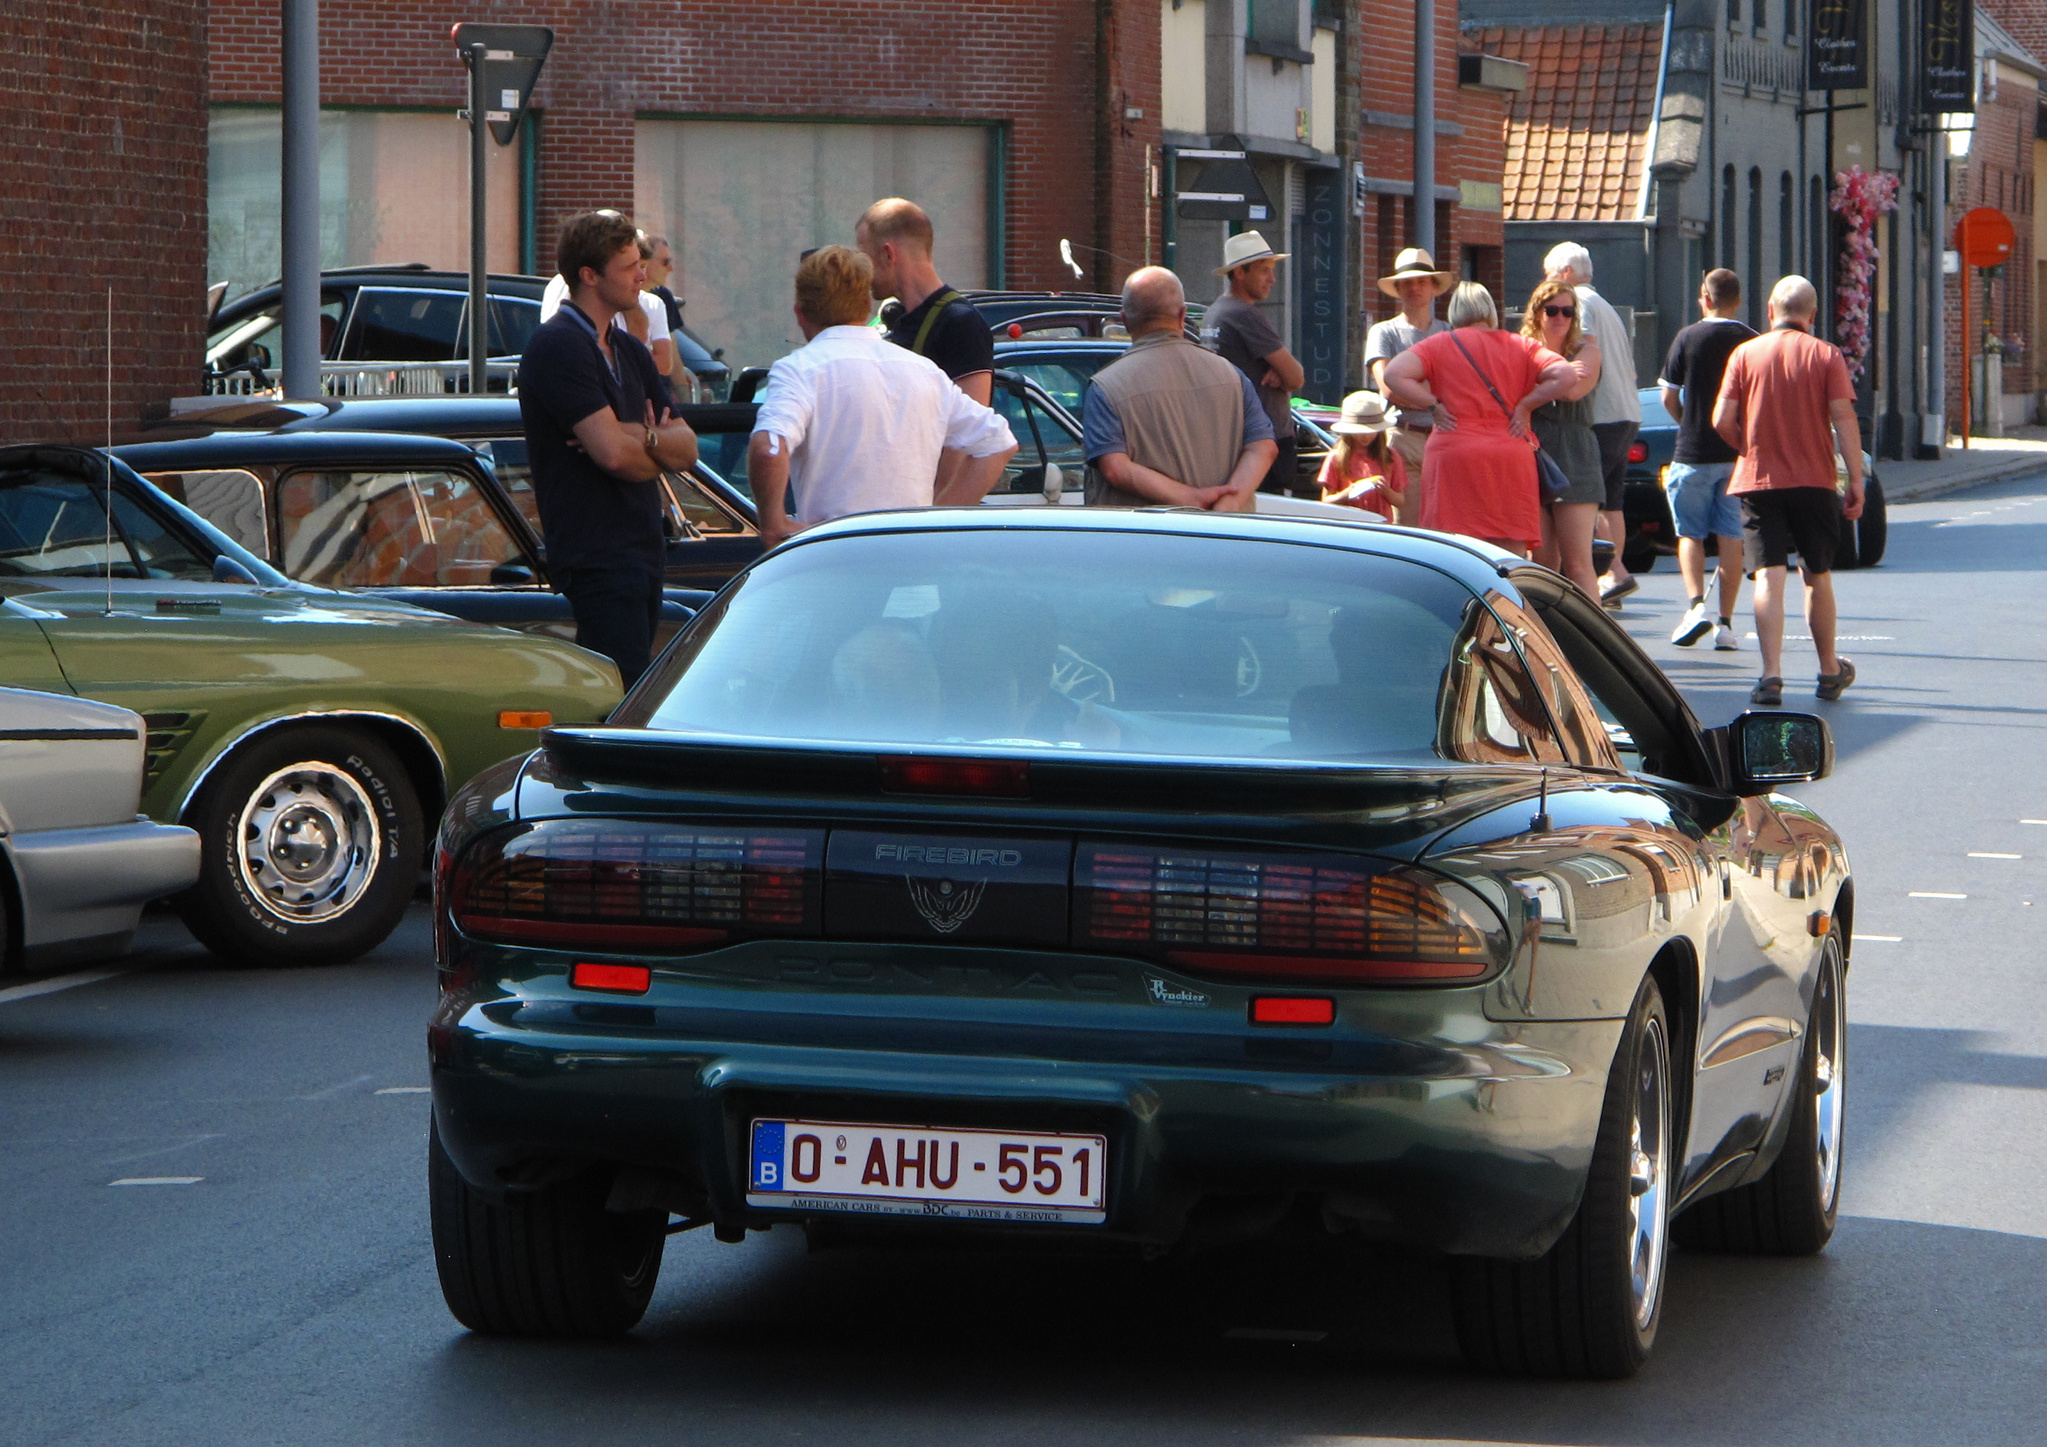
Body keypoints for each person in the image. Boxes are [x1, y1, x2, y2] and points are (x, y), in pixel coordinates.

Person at [517, 210, 699, 686]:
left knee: (638, 692)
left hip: (643, 550)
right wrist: (645, 449)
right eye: (629, 266)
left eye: (642, 263)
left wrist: (643, 435)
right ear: (589, 276)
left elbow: (688, 450)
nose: (644, 275)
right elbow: (612, 457)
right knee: (619, 702)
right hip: (596, 554)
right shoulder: (558, 346)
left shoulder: (631, 350)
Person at [747, 246, 1016, 551]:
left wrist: (773, 523)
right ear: (866, 306)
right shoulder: (924, 371)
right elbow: (998, 443)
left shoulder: (800, 371)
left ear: (800, 312)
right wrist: (934, 520)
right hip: (911, 568)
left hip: (831, 564)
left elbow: (768, 448)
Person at [1712, 275, 1864, 705]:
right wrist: (1854, 479)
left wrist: (1749, 446)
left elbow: (1721, 420)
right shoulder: (1826, 355)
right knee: (1816, 573)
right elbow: (1844, 419)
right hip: (1814, 480)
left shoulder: (1744, 354)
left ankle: (1771, 675)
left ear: (1769, 312)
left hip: (1759, 480)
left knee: (1768, 574)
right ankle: (1829, 670)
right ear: (1812, 316)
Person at [1380, 281, 1576, 558]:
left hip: (1454, 450)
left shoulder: (1438, 345)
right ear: (1490, 311)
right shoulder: (1520, 345)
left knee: (1452, 551)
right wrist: (1526, 404)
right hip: (1509, 451)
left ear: (1455, 311)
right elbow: (1566, 376)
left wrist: (1433, 406)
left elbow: (1393, 375)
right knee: (1510, 557)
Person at [1082, 267, 1276, 509]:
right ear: (1183, 316)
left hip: (1143, 541)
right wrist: (1230, 503)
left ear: (1125, 321)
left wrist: (1192, 500)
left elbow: (1115, 468)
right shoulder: (1232, 375)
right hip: (1226, 539)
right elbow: (1263, 447)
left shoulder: (1106, 387)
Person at [1660, 268, 1758, 650]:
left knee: (1690, 534)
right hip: (1736, 457)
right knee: (1732, 539)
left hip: (1693, 451)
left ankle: (1696, 606)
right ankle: (1726, 625)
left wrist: (1687, 423)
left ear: (1705, 298)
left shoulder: (1687, 337)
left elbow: (1669, 395)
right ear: (1738, 300)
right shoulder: (1751, 341)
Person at [1544, 242, 1642, 605]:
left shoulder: (1577, 304)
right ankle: (1614, 574)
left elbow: (1582, 348)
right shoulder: (1607, 305)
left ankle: (1612, 571)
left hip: (1596, 414)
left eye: (1551, 274)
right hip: (1626, 411)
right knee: (1611, 500)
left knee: (1584, 497)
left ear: (1566, 274)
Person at [856, 198, 995, 405]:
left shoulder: (961, 324)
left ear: (887, 255)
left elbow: (974, 425)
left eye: (865, 259)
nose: (863, 273)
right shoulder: (902, 321)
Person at [1520, 277, 1605, 598]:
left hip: (1575, 456)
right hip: (1532, 453)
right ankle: (1546, 643)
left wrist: (1529, 389)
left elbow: (1572, 389)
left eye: (1567, 312)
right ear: (1537, 312)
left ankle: (1593, 645)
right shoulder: (1522, 349)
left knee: (1578, 563)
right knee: (1541, 565)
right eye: (1551, 310)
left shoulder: (1587, 351)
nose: (1559, 318)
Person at [1206, 231, 1306, 497]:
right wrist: (1283, 373)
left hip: (1230, 440)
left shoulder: (1214, 312)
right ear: (1239, 272)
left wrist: (1275, 369)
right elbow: (1297, 378)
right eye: (1263, 270)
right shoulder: (1244, 314)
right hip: (1264, 443)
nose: (1272, 279)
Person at [1363, 248, 1453, 525]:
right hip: (1403, 439)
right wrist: (1434, 400)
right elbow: (1388, 387)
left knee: (1449, 529)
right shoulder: (1383, 332)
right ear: (1398, 289)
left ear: (1434, 287)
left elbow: (1456, 389)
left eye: (1421, 281)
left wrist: (1412, 388)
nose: (1414, 288)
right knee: (1410, 527)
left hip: (1446, 439)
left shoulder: (1450, 333)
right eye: (1407, 282)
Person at [1317, 390, 1407, 521]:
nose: (1365, 436)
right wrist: (1347, 493)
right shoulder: (1336, 457)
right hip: (1347, 525)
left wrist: (1386, 491)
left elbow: (1400, 500)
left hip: (1380, 525)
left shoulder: (1390, 456)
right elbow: (1325, 502)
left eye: (1371, 431)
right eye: (1359, 431)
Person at [617, 233, 677, 383]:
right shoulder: (604, 299)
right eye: (665, 262)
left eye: (643, 266)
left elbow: (665, 363)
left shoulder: (655, 303)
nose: (671, 268)